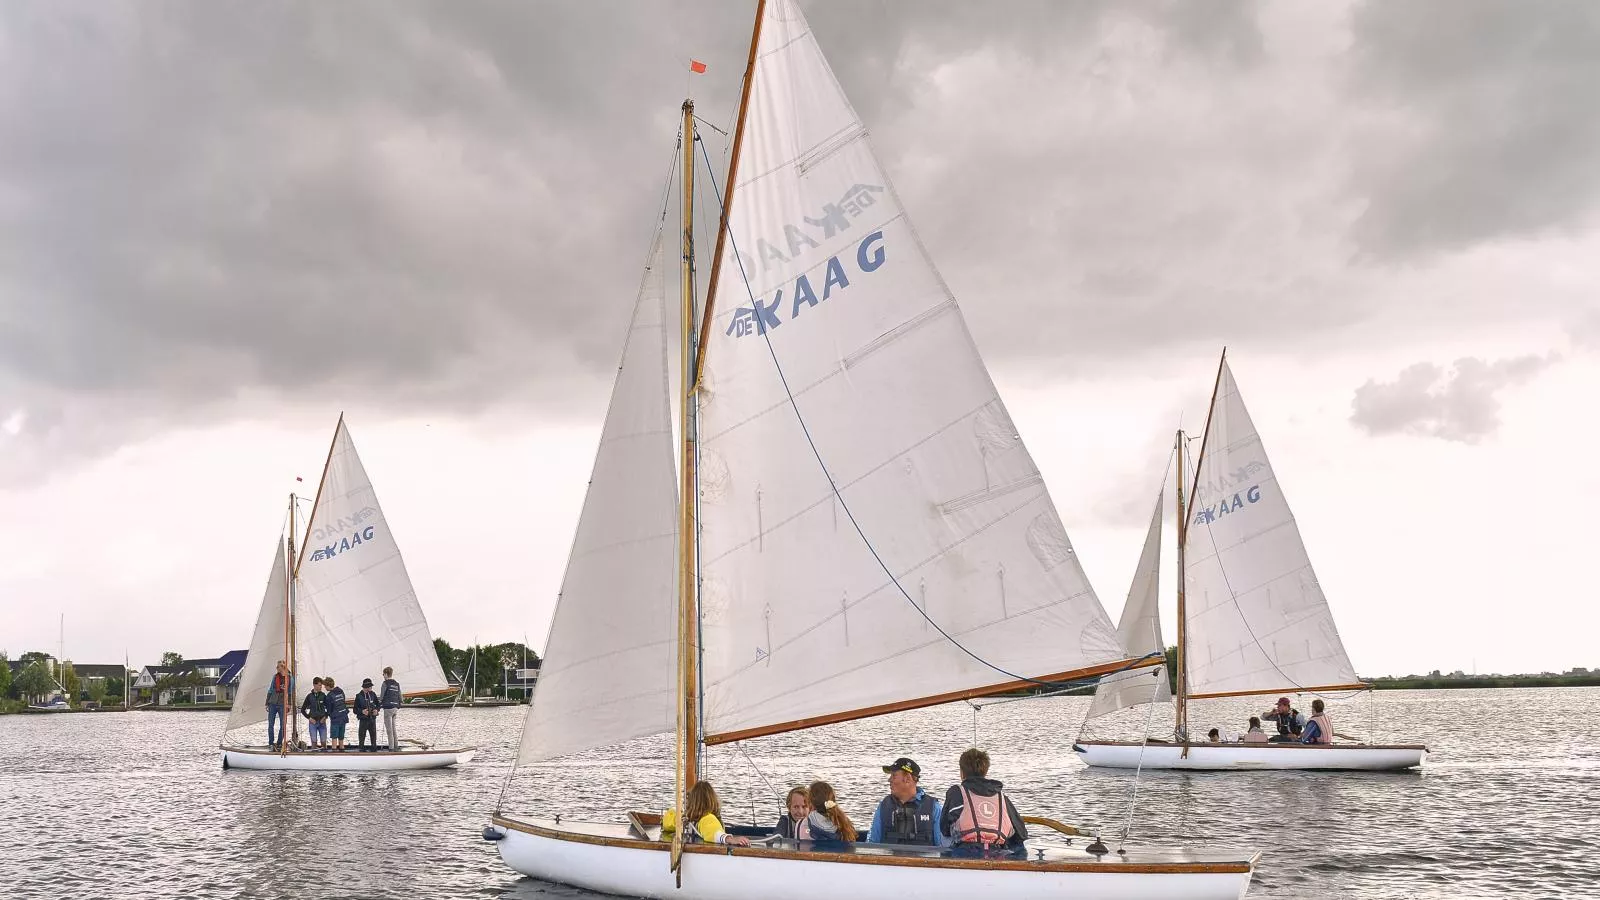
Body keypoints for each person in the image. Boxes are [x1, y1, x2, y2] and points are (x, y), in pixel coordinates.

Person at [941, 748, 1027, 853]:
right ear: (985, 771)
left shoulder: (957, 793)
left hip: (965, 851)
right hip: (997, 852)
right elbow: (1021, 832)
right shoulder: (1001, 797)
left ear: (962, 773)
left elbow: (944, 828)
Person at [866, 757, 943, 846]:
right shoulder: (883, 806)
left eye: (894, 776)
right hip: (890, 859)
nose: (889, 780)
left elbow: (942, 846)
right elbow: (871, 843)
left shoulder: (934, 808)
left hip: (923, 860)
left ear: (907, 778)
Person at [663, 781, 750, 846]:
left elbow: (667, 821)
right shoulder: (707, 818)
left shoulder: (685, 820)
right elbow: (714, 832)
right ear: (711, 800)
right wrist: (730, 839)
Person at [265, 660, 288, 750]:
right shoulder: (275, 677)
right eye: (277, 667)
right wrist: (267, 703)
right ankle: (271, 743)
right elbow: (270, 690)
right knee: (271, 724)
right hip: (273, 703)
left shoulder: (289, 678)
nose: (277, 668)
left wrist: (288, 703)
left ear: (283, 667)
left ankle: (279, 743)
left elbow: (290, 691)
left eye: (278, 667)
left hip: (282, 704)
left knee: (283, 725)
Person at [301, 677, 329, 750]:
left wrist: (325, 717)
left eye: (321, 685)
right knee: (314, 743)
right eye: (319, 685)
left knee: (323, 743)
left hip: (322, 722)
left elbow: (329, 708)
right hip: (313, 722)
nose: (321, 687)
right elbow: (303, 710)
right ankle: (313, 756)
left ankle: (325, 757)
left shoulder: (323, 696)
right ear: (314, 685)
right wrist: (309, 718)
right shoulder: (309, 696)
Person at [354, 678, 381, 752]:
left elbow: (378, 705)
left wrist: (377, 710)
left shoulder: (373, 694)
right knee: (362, 738)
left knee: (373, 738)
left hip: (372, 719)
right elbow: (355, 710)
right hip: (363, 720)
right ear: (365, 687)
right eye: (370, 686)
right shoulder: (358, 696)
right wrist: (362, 711)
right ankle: (361, 751)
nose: (371, 688)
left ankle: (374, 751)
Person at [380, 666, 402, 751]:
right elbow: (400, 697)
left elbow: (381, 697)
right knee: (394, 729)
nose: (383, 676)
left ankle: (391, 749)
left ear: (386, 674)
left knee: (389, 730)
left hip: (388, 708)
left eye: (383, 674)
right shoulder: (397, 684)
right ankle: (396, 746)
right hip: (395, 708)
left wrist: (378, 703)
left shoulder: (385, 683)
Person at [324, 676, 349, 751]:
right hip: (344, 716)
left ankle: (334, 751)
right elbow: (343, 701)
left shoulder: (329, 696)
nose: (325, 688)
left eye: (325, 686)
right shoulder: (341, 691)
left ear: (328, 686)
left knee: (334, 737)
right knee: (341, 737)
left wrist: (325, 716)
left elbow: (329, 709)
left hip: (335, 719)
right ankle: (342, 749)